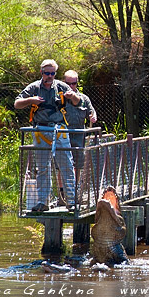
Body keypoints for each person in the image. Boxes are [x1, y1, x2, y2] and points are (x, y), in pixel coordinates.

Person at [14, 59, 81, 212]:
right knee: (42, 168)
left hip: (60, 131)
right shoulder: (34, 87)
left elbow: (78, 102)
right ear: (41, 73)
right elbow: (17, 104)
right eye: (47, 73)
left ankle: (71, 201)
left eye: (52, 73)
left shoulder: (62, 86)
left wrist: (72, 96)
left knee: (67, 166)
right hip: (40, 131)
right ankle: (43, 202)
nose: (50, 76)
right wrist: (31, 100)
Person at [58, 70, 97, 205]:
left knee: (78, 165)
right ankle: (62, 196)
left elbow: (91, 111)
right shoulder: (58, 99)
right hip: (63, 136)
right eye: (68, 84)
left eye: (73, 83)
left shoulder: (84, 99)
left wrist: (93, 116)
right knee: (61, 166)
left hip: (79, 136)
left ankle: (75, 193)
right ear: (63, 83)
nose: (71, 87)